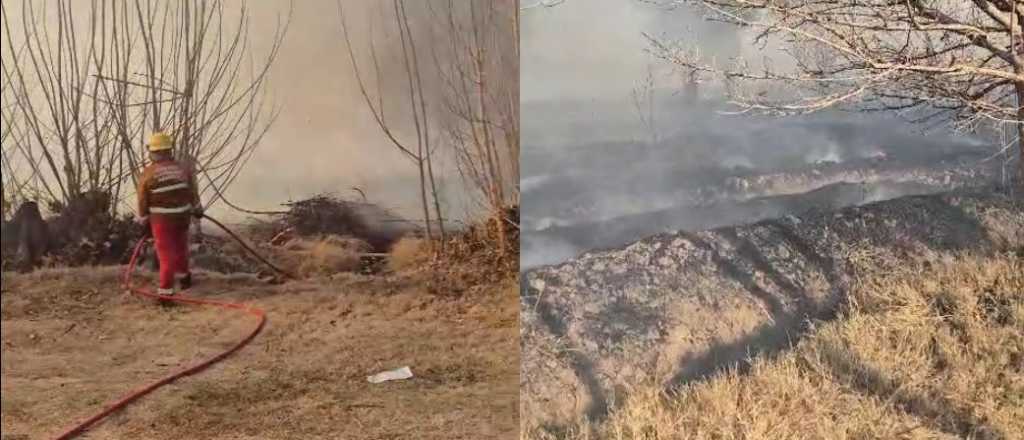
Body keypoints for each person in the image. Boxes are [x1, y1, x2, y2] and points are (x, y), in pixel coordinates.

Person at [136, 132, 203, 296]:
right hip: (183, 216)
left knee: (165, 254)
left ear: (154, 152)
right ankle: (184, 278)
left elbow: (142, 198)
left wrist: (143, 219)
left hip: (162, 219)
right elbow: (192, 190)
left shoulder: (149, 173)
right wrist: (197, 207)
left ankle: (165, 292)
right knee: (181, 247)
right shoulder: (182, 169)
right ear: (169, 150)